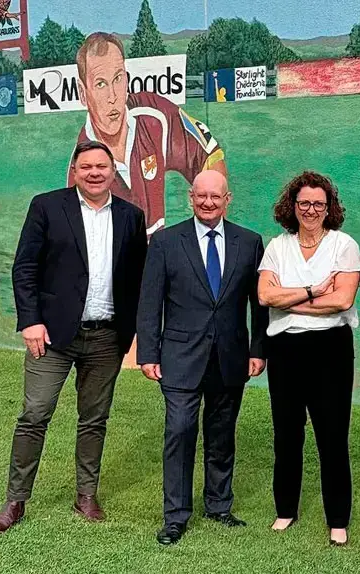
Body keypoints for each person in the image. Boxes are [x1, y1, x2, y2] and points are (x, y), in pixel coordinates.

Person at [0, 141, 148, 534]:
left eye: (102, 167)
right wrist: (30, 321)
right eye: (87, 166)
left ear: (114, 172)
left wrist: (140, 329)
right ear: (74, 171)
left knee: (94, 419)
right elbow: (24, 267)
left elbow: (138, 277)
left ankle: (86, 495)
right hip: (52, 337)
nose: (95, 173)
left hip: (107, 337)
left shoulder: (131, 216)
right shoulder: (46, 206)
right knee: (34, 415)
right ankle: (15, 500)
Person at [136, 170, 268, 545]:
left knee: (222, 433)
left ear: (228, 200)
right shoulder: (165, 242)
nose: (208, 203)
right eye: (201, 196)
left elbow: (258, 305)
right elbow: (150, 302)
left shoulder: (249, 241)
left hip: (230, 357)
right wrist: (148, 352)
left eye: (216, 197)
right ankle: (176, 517)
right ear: (191, 197)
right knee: (180, 430)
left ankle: (218, 505)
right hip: (179, 356)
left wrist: (258, 349)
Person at [257, 171, 360, 547]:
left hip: (331, 349)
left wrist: (293, 299)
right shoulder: (277, 247)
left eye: (319, 203)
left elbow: (343, 300)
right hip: (284, 350)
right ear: (293, 206)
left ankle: (338, 519)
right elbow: (266, 296)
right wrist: (315, 289)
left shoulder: (344, 245)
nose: (311, 210)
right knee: (287, 434)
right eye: (304, 203)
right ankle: (285, 510)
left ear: (329, 207)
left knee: (332, 435)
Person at [69, 32, 227, 237]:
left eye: (118, 79)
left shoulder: (155, 117)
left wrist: (208, 236)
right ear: (83, 93)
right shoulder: (80, 170)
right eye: (101, 84)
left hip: (160, 260)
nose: (113, 96)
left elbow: (209, 156)